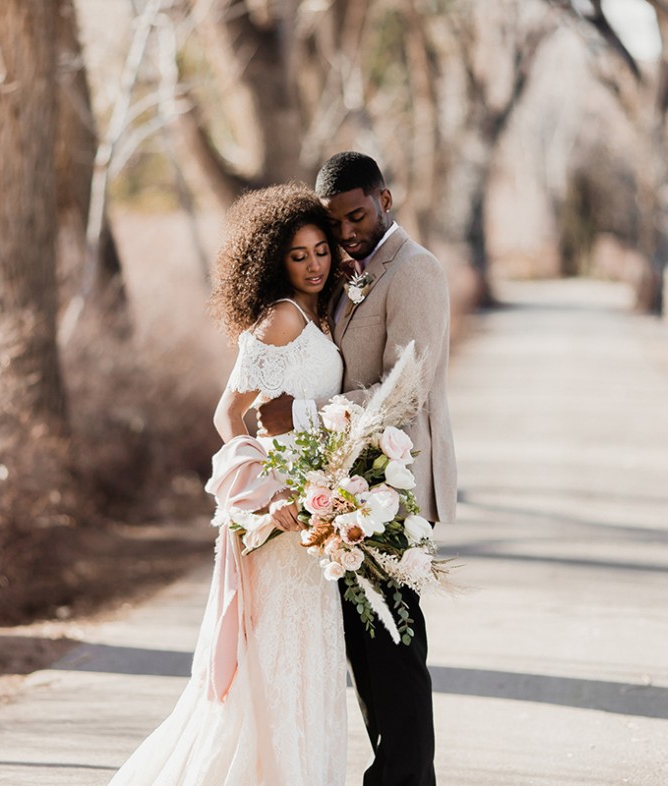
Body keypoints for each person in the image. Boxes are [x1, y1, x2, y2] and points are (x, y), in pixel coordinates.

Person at [109, 182, 349, 785]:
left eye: (321, 250)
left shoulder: (316, 313)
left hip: (317, 518)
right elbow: (229, 414)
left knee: (308, 660)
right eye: (299, 255)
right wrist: (274, 494)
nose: (314, 264)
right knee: (275, 662)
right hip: (287, 518)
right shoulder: (281, 317)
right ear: (275, 260)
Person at [258, 151, 457, 786]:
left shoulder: (415, 271)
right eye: (336, 221)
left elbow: (405, 390)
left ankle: (405, 778)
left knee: (395, 649)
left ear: (385, 201)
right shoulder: (355, 272)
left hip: (397, 485)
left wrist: (306, 414)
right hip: (352, 484)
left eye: (357, 214)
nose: (346, 231)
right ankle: (391, 773)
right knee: (367, 647)